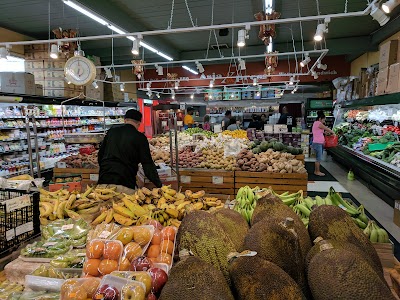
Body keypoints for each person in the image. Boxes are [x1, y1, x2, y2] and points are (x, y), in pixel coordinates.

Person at [98, 109, 162, 191]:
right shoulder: (140, 137)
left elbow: (100, 155)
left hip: (103, 182)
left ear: (125, 120)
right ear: (139, 124)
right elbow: (147, 164)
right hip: (125, 183)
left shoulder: (111, 132)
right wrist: (159, 185)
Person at [312, 110, 335, 176]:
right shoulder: (318, 123)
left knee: (318, 158)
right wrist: (333, 132)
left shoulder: (316, 124)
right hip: (318, 143)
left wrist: (326, 133)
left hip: (318, 143)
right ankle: (317, 171)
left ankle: (316, 170)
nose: (324, 122)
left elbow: (321, 132)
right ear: (320, 119)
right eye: (323, 120)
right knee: (318, 158)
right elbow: (326, 128)